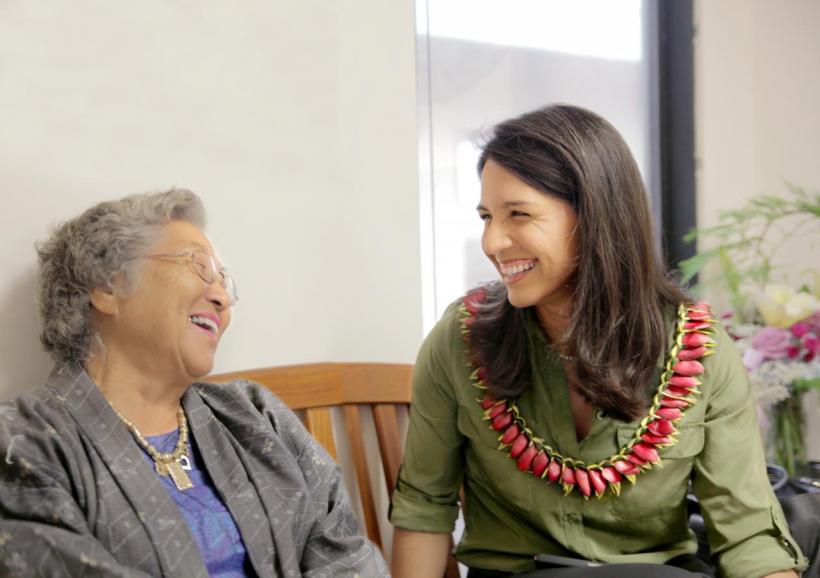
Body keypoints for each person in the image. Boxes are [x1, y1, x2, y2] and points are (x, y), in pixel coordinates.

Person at [389, 105, 809, 578]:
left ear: (594, 215)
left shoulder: (697, 348)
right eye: (487, 216)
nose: (493, 242)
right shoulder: (459, 340)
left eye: (518, 214)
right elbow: (424, 509)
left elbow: (749, 534)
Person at [0, 189, 387, 577]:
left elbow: (347, 554)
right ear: (106, 286)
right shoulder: (23, 441)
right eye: (198, 266)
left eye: (224, 282)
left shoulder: (254, 413)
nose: (222, 298)